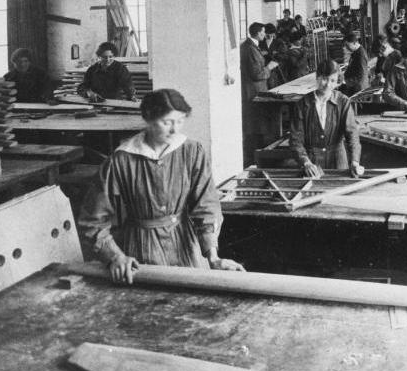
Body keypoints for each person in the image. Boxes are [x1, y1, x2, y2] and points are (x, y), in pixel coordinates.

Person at [78, 89, 245, 284]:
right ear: (148, 119)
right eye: (167, 122)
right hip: (140, 247)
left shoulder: (192, 151)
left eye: (180, 121)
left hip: (185, 245)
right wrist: (115, 256)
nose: (175, 130)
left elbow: (206, 206)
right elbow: (92, 220)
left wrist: (213, 257)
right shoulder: (121, 160)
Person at [290, 60, 363, 179]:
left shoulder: (343, 101)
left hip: (338, 161)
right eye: (324, 78)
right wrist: (306, 162)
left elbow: (352, 134)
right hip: (312, 164)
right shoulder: (302, 104)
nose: (328, 84)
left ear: (337, 82)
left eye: (333, 80)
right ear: (317, 77)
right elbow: (295, 139)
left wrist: (355, 161)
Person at [241, 22, 280, 164]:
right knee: (257, 125)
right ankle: (257, 158)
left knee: (256, 125)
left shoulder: (250, 46)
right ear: (258, 33)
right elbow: (257, 74)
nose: (265, 34)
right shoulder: (251, 49)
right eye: (263, 32)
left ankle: (256, 155)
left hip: (254, 91)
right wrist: (269, 67)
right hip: (254, 92)